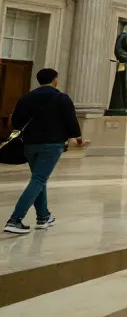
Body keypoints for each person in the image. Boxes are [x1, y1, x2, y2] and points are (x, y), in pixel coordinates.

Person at [5, 69, 83, 235]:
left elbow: (16, 122)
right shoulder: (61, 98)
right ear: (55, 80)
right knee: (39, 179)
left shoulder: (26, 98)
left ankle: (43, 217)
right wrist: (78, 138)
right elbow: (71, 121)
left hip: (30, 145)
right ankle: (15, 220)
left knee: (38, 179)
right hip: (51, 144)